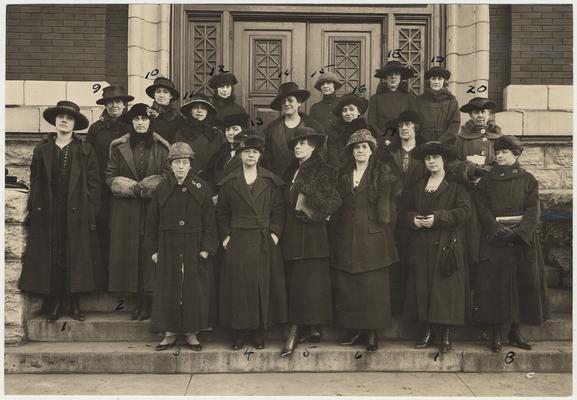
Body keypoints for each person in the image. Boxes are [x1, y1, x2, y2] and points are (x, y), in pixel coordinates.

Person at [19, 100, 101, 321]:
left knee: (74, 254)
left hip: (77, 210)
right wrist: (34, 207)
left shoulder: (84, 149)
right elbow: (35, 179)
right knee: (52, 254)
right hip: (49, 210)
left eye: (70, 117)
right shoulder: (42, 148)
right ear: (55, 121)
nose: (64, 121)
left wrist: (91, 210)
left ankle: (73, 302)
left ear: (75, 123)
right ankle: (53, 301)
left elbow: (94, 184)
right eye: (61, 117)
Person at [474, 135, 549, 353]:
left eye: (504, 152)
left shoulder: (528, 179)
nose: (499, 156)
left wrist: (520, 232)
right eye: (497, 153)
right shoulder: (486, 181)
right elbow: (482, 208)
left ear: (515, 155)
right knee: (494, 285)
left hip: (520, 242)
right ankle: (495, 333)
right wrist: (497, 230)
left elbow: (533, 210)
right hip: (494, 241)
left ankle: (515, 332)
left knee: (519, 285)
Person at [216, 135, 288, 350]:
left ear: (260, 155)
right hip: (238, 239)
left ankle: (258, 332)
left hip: (263, 239)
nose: (250, 155)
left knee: (260, 285)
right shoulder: (230, 182)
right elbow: (221, 213)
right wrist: (226, 236)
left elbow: (278, 211)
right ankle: (239, 333)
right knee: (239, 286)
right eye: (246, 151)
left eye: (254, 152)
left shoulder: (270, 181)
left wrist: (274, 234)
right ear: (240, 154)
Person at [146, 142, 219, 351]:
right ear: (170, 165)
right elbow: (151, 222)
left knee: (192, 288)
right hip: (167, 244)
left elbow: (210, 221)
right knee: (169, 286)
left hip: (194, 243)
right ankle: (169, 332)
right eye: (176, 163)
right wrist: (153, 250)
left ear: (190, 165)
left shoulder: (201, 188)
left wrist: (206, 247)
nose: (180, 167)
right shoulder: (162, 188)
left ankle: (191, 332)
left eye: (184, 163)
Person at [331, 129, 399, 351]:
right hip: (347, 236)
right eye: (356, 147)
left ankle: (371, 333)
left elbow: (390, 209)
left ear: (371, 151)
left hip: (374, 238)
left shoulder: (382, 173)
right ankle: (355, 330)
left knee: (373, 287)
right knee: (350, 286)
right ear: (351, 152)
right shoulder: (344, 173)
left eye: (364, 147)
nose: (360, 151)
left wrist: (383, 231)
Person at [403, 141, 471, 353]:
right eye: (428, 158)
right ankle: (428, 331)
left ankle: (446, 334)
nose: (431, 161)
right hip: (422, 245)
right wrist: (413, 219)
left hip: (446, 243)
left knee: (445, 290)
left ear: (444, 161)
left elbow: (465, 211)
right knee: (424, 287)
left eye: (435, 158)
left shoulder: (456, 186)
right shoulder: (418, 185)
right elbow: (407, 209)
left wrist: (438, 218)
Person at [280, 127, 341, 357]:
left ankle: (299, 329)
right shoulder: (290, 171)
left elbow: (333, 201)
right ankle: (309, 328)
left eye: (303, 143)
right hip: (292, 234)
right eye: (295, 143)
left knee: (311, 284)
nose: (298, 146)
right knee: (297, 282)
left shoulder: (324, 170)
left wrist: (311, 204)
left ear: (313, 146)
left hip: (313, 235)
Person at [106, 103, 170, 321]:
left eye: (144, 119)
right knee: (133, 255)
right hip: (128, 211)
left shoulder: (162, 148)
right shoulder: (119, 147)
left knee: (150, 252)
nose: (140, 123)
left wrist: (148, 186)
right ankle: (138, 302)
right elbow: (110, 176)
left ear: (150, 122)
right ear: (131, 123)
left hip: (154, 210)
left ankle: (151, 301)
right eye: (136, 120)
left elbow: (167, 175)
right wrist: (130, 188)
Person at [378, 110, 426, 315]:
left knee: (415, 258)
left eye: (408, 124)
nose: (404, 128)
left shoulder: (426, 153)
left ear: (415, 127)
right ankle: (393, 306)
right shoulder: (388, 154)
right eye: (401, 125)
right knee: (393, 256)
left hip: (418, 211)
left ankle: (412, 307)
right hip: (393, 211)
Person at [86, 86, 133, 288]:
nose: (114, 106)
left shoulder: (130, 128)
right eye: (110, 102)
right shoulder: (95, 129)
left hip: (124, 189)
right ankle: (102, 280)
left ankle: (122, 280)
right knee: (103, 230)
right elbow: (87, 158)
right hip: (102, 190)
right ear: (105, 105)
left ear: (124, 105)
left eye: (118, 102)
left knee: (124, 233)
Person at [454, 97, 503, 291]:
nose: (480, 115)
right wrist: (470, 168)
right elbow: (452, 164)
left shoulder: (498, 139)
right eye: (475, 112)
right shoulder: (461, 138)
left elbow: (505, 162)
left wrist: (488, 172)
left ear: (489, 114)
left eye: (483, 111)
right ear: (470, 115)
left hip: (492, 194)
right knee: (472, 237)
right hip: (469, 193)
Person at [262, 82, 324, 178]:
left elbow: (320, 153)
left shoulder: (312, 126)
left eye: (290, 100)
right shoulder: (272, 128)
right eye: (283, 101)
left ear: (299, 103)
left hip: (305, 179)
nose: (287, 104)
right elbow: (266, 156)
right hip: (277, 181)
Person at [174, 94, 224, 179]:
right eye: (195, 107)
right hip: (187, 179)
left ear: (207, 112)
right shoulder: (181, 133)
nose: (199, 111)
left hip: (212, 179)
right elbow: (174, 158)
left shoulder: (216, 133)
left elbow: (223, 159)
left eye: (203, 108)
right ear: (190, 111)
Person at [367, 61, 417, 143]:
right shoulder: (375, 98)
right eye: (390, 74)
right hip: (382, 140)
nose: (393, 77)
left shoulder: (409, 98)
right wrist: (384, 137)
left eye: (396, 74)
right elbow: (372, 122)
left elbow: (414, 121)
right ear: (385, 77)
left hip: (404, 140)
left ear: (401, 77)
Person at [326, 93, 376, 168]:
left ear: (359, 112)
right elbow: (333, 157)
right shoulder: (334, 131)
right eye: (344, 110)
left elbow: (373, 155)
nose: (348, 113)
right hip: (341, 171)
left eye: (351, 109)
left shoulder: (368, 130)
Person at [204, 112, 248, 193]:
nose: (230, 133)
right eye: (227, 129)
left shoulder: (249, 153)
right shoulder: (221, 152)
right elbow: (211, 177)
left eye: (235, 129)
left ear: (244, 131)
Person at [416, 66, 460, 145]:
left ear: (444, 81)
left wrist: (441, 141)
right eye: (433, 78)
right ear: (428, 81)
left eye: (439, 79)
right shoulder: (419, 101)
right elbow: (415, 123)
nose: (436, 82)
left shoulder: (451, 101)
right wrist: (424, 141)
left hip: (445, 144)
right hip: (424, 143)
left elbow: (455, 124)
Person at [146, 77, 186, 143]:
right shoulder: (146, 115)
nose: (161, 95)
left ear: (171, 96)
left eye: (165, 92)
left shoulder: (178, 118)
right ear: (154, 95)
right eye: (158, 92)